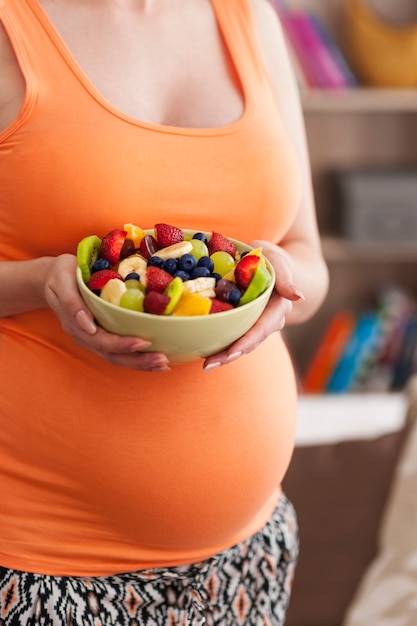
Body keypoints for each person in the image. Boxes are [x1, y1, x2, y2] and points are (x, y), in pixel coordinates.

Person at [0, 0, 329, 624]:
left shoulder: (249, 16)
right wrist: (37, 281)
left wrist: (278, 281)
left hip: (242, 561)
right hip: (38, 566)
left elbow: (307, 254)